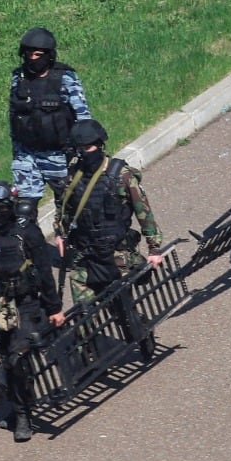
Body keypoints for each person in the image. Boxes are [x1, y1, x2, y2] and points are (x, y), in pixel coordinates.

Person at [0, 181, 65, 443]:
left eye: (1, 208)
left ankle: (23, 415)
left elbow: (44, 271)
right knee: (1, 359)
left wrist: (54, 308)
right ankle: (16, 401)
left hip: (24, 303)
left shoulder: (26, 232)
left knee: (18, 359)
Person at [55, 118, 163, 359]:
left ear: (100, 145)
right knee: (83, 311)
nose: (85, 153)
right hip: (86, 256)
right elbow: (63, 209)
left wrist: (154, 248)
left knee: (122, 310)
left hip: (117, 256)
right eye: (80, 149)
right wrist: (60, 234)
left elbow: (144, 212)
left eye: (89, 148)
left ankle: (142, 333)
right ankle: (88, 354)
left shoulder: (121, 176)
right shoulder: (73, 177)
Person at [9, 26, 92, 212]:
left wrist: (83, 154)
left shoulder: (66, 78)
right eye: (29, 54)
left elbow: (83, 118)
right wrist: (17, 152)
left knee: (69, 208)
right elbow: (14, 116)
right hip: (27, 154)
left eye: (38, 55)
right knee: (23, 211)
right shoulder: (18, 77)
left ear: (49, 55)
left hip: (60, 156)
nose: (33, 59)